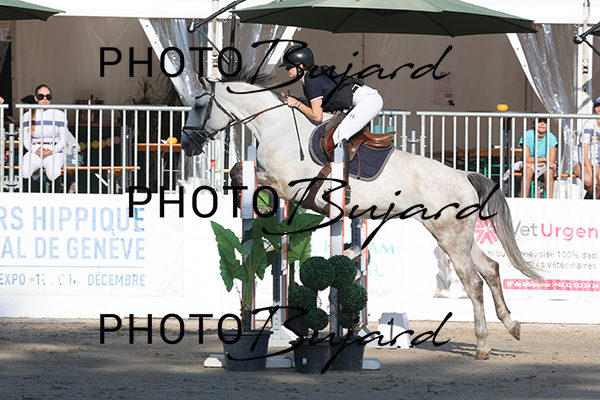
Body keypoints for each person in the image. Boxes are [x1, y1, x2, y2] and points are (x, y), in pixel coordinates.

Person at [279, 45, 383, 201]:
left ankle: (344, 186)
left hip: (368, 101)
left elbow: (316, 116)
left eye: (289, 66)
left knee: (340, 135)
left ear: (300, 66)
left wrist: (296, 104)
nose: (287, 70)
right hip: (363, 99)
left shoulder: (312, 81)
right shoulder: (310, 78)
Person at [22, 84, 68, 190]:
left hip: (53, 149)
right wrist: (35, 150)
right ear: (35, 98)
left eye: (48, 96)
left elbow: (64, 138)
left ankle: (55, 198)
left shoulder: (59, 114)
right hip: (35, 149)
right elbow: (25, 139)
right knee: (25, 170)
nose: (45, 99)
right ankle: (30, 197)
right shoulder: (27, 115)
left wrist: (53, 150)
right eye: (41, 96)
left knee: (53, 172)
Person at [518, 117, 557, 198]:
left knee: (549, 172)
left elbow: (551, 162)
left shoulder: (552, 137)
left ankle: (550, 201)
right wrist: (545, 159)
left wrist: (530, 163)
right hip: (535, 164)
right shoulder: (527, 135)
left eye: (545, 122)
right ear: (534, 123)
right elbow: (527, 158)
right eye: (539, 121)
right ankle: (522, 199)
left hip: (541, 165)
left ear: (549, 125)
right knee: (528, 171)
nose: (542, 124)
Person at [573, 97, 600, 199]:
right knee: (589, 180)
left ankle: (591, 201)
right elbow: (584, 154)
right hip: (580, 160)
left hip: (597, 162)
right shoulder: (589, 126)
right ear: (594, 110)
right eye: (597, 106)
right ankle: (593, 202)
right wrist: (593, 175)